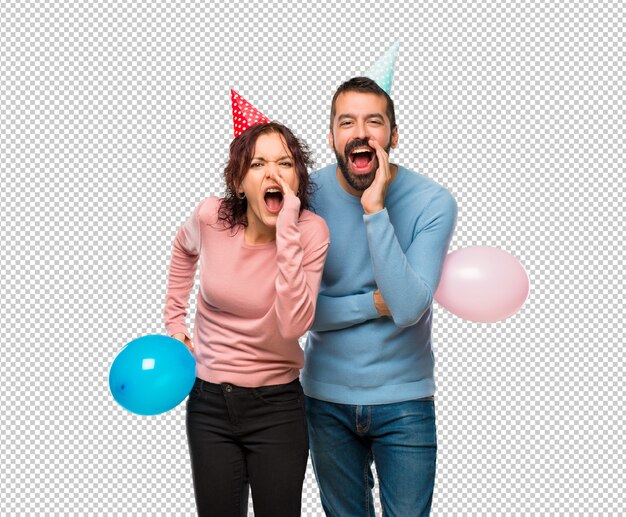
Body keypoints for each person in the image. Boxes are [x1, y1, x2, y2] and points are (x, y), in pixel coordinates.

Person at [301, 76, 457, 516]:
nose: (361, 132)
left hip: (405, 402)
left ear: (393, 134)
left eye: (374, 121)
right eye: (346, 122)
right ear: (331, 136)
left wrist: (375, 209)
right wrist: (371, 303)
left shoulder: (433, 202)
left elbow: (407, 308)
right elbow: (298, 314)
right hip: (325, 401)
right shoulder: (304, 198)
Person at [164, 116, 330, 516]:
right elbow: (183, 250)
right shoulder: (210, 217)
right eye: (258, 164)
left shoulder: (311, 232)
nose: (272, 172)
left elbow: (293, 324)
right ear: (239, 183)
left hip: (277, 407)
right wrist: (174, 323)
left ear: (297, 178)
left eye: (284, 163)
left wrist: (286, 228)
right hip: (208, 403)